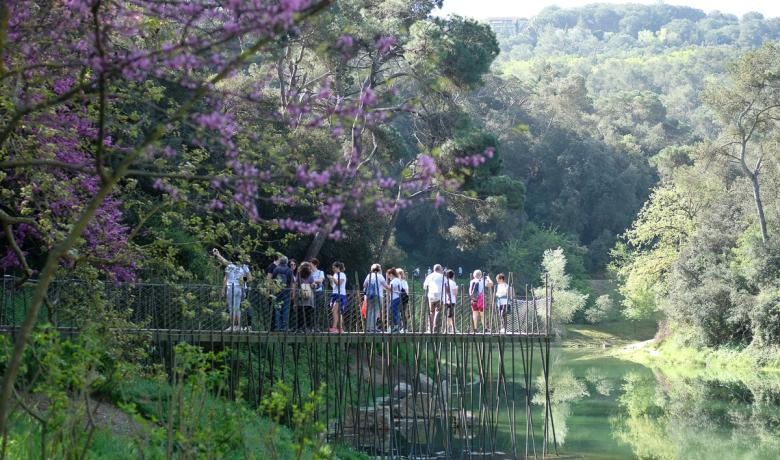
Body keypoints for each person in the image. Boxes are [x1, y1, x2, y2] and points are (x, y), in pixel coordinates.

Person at [213, 248, 251, 331]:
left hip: (231, 288)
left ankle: (233, 326)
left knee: (231, 308)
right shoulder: (244, 266)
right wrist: (241, 280)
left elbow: (224, 262)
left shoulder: (229, 266)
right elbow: (249, 278)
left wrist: (217, 255)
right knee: (237, 308)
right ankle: (238, 326)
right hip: (240, 289)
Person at [363, 263, 389, 333]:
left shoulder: (369, 275)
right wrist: (391, 288)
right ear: (379, 269)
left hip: (369, 295)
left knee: (369, 311)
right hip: (378, 295)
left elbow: (364, 285)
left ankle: (368, 328)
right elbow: (386, 286)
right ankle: (373, 328)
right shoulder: (380, 276)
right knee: (375, 311)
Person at [271, 256, 294, 331]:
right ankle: (285, 327)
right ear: (287, 262)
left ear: (280, 261)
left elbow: (273, 280)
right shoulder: (289, 270)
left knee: (277, 309)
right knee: (286, 309)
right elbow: (291, 282)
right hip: (286, 292)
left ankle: (277, 326)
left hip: (277, 292)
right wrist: (291, 291)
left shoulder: (276, 269)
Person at [293, 261, 315, 332]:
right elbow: (312, 284)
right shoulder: (310, 275)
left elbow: (296, 285)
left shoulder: (298, 275)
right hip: (308, 296)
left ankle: (299, 328)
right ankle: (307, 328)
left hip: (300, 295)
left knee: (300, 313)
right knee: (308, 313)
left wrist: (294, 294)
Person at [423, 264, 445, 333]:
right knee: (437, 311)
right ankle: (435, 328)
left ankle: (430, 328)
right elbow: (446, 285)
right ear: (440, 269)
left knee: (431, 312)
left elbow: (425, 287)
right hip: (439, 296)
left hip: (431, 296)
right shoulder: (442, 276)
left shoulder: (429, 276)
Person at [328, 261, 347, 333]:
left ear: (338, 268)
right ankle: (340, 329)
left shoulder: (342, 274)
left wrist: (333, 278)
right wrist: (331, 280)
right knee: (338, 312)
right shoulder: (335, 274)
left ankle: (334, 327)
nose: (333, 269)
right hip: (335, 294)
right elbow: (334, 286)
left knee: (334, 311)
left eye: (334, 268)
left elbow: (339, 283)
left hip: (341, 295)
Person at [310, 258, 326, 331]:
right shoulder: (309, 272)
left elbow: (321, 280)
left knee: (317, 309)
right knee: (310, 309)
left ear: (315, 264)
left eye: (311, 264)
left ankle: (316, 326)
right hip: (310, 293)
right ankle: (310, 326)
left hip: (318, 292)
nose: (310, 266)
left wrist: (312, 282)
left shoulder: (320, 272)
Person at [387, 268, 403, 333]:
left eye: (388, 275)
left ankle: (398, 326)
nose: (388, 277)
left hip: (395, 298)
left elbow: (391, 288)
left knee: (393, 311)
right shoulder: (396, 280)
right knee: (394, 311)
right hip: (395, 298)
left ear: (391, 274)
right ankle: (397, 326)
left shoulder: (395, 280)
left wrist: (384, 286)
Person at [444, 269, 458, 334]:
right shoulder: (453, 282)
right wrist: (457, 289)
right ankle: (447, 329)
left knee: (449, 315)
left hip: (445, 300)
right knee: (450, 315)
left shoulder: (444, 282)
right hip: (451, 300)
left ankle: (453, 328)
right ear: (453, 276)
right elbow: (455, 293)